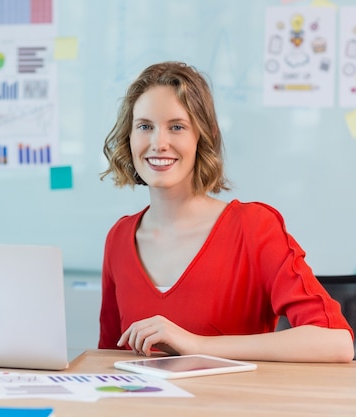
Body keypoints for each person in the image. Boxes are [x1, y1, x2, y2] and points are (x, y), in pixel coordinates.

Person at [98, 61, 354, 363]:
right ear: (129, 137)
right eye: (144, 126)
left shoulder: (255, 228)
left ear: (203, 136)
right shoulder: (119, 237)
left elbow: (337, 343)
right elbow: (106, 358)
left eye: (177, 127)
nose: (159, 143)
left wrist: (195, 344)